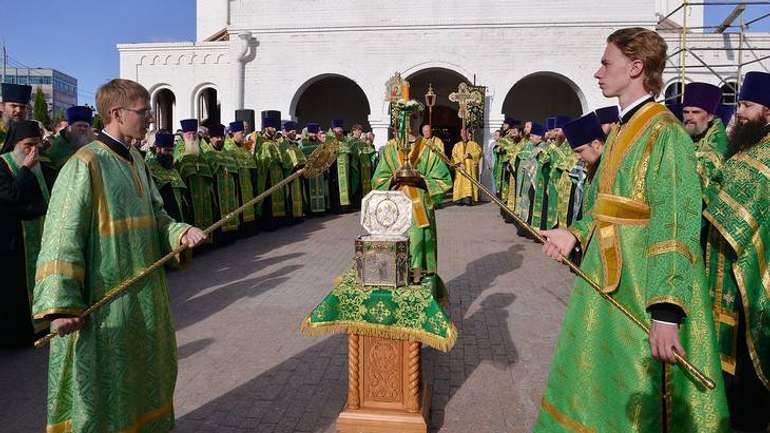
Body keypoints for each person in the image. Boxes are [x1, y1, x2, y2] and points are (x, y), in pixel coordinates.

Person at [535, 28, 729, 433]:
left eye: (606, 63)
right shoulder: (623, 128)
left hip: (643, 288)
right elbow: (604, 205)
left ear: (636, 67)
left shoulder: (666, 134)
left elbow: (676, 221)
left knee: (635, 390)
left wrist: (666, 312)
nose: (597, 72)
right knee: (593, 383)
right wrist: (574, 234)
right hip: (604, 280)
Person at [32, 78, 207, 433]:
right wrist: (62, 305)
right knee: (105, 393)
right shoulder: (85, 164)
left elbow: (158, 217)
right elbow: (61, 236)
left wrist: (179, 232)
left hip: (144, 301)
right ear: (117, 113)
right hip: (103, 307)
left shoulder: (137, 161)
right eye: (144, 113)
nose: (151, 121)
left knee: (145, 381)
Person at [703, 71, 770, 432]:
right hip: (744, 278)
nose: (738, 113)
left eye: (746, 105)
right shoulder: (748, 151)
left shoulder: (760, 161)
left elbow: (721, 214)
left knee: (745, 381)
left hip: (747, 286)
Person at [371, 122, 452, 279]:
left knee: (418, 239)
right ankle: (394, 274)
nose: (409, 122)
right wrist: (394, 178)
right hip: (394, 206)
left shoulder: (429, 148)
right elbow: (377, 181)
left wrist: (420, 180)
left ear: (420, 118)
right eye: (405, 117)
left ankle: (419, 273)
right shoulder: (390, 149)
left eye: (414, 117)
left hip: (420, 204)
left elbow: (444, 180)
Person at [0, 121, 49, 347]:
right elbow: (11, 198)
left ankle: (40, 328)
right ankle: (19, 336)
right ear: (15, 144)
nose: (33, 151)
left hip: (37, 232)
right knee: (16, 290)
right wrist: (26, 169)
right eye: (28, 145)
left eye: (37, 145)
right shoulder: (3, 164)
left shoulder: (39, 164)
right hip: (14, 240)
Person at [681, 82, 729, 193]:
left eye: (696, 112)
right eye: (686, 112)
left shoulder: (719, 146)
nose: (689, 117)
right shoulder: (679, 134)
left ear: (709, 117)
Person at [175, 119, 216, 231]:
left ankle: (206, 239)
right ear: (184, 135)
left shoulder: (202, 150)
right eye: (189, 134)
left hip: (204, 189)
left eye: (194, 133)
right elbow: (178, 169)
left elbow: (208, 168)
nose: (192, 136)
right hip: (189, 191)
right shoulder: (179, 151)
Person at [202, 123, 241, 235]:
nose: (219, 139)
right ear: (210, 138)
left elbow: (234, 170)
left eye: (221, 137)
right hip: (216, 190)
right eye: (216, 137)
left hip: (229, 189)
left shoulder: (227, 153)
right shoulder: (207, 153)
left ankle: (231, 232)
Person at [254, 110, 288, 228]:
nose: (274, 129)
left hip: (277, 173)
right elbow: (260, 156)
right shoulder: (260, 140)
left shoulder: (276, 141)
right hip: (267, 174)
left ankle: (278, 220)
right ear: (266, 127)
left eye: (275, 127)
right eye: (272, 127)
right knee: (268, 199)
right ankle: (268, 222)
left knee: (278, 196)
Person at [147, 131, 189, 223]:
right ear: (158, 149)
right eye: (166, 150)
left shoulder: (172, 168)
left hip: (178, 211)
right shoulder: (150, 167)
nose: (169, 153)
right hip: (162, 211)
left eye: (171, 150)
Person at [225, 120, 258, 232]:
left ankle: (248, 227)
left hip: (247, 180)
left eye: (244, 133)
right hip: (237, 181)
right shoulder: (229, 147)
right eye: (241, 133)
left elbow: (250, 162)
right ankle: (240, 228)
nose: (243, 135)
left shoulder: (243, 147)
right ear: (233, 133)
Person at [45, 106, 95, 173]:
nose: (83, 129)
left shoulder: (89, 141)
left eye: (86, 126)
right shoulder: (58, 145)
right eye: (79, 126)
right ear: (70, 127)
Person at [327, 119, 358, 213]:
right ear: (333, 130)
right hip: (335, 170)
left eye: (341, 128)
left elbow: (350, 151)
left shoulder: (345, 141)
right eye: (338, 129)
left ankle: (346, 206)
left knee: (347, 187)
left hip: (346, 169)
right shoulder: (330, 140)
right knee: (336, 188)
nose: (340, 130)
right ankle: (337, 208)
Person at [279, 121, 306, 222]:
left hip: (298, 173)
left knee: (298, 194)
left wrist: (303, 164)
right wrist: (294, 166)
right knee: (290, 195)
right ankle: (291, 216)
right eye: (291, 131)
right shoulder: (283, 144)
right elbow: (285, 158)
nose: (294, 133)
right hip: (290, 173)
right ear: (286, 132)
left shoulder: (294, 144)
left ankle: (298, 214)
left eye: (295, 131)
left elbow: (301, 157)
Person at [299, 122, 328, 215]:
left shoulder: (320, 144)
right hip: (309, 172)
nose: (314, 135)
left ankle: (321, 209)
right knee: (309, 191)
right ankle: (311, 211)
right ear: (308, 133)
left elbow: (325, 157)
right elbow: (301, 158)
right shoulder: (303, 144)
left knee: (320, 190)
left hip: (320, 171)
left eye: (315, 133)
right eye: (312, 133)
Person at [451, 127, 482, 205]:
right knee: (459, 183)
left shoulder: (474, 144)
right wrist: (459, 163)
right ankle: (459, 198)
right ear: (460, 134)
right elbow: (453, 156)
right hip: (460, 168)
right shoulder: (456, 145)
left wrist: (470, 155)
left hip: (470, 169)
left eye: (466, 133)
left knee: (469, 182)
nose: (464, 135)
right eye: (462, 133)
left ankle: (469, 199)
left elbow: (480, 153)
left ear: (468, 134)